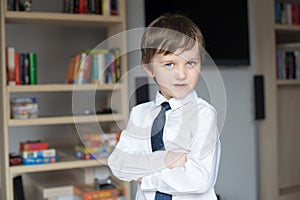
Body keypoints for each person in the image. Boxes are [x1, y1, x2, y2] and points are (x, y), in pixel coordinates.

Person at [108, 13, 221, 200]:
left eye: (190, 63)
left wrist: (146, 176)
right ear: (148, 67)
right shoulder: (139, 114)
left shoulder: (204, 115)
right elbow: (118, 164)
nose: (181, 74)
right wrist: (167, 160)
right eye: (170, 64)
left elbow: (199, 179)